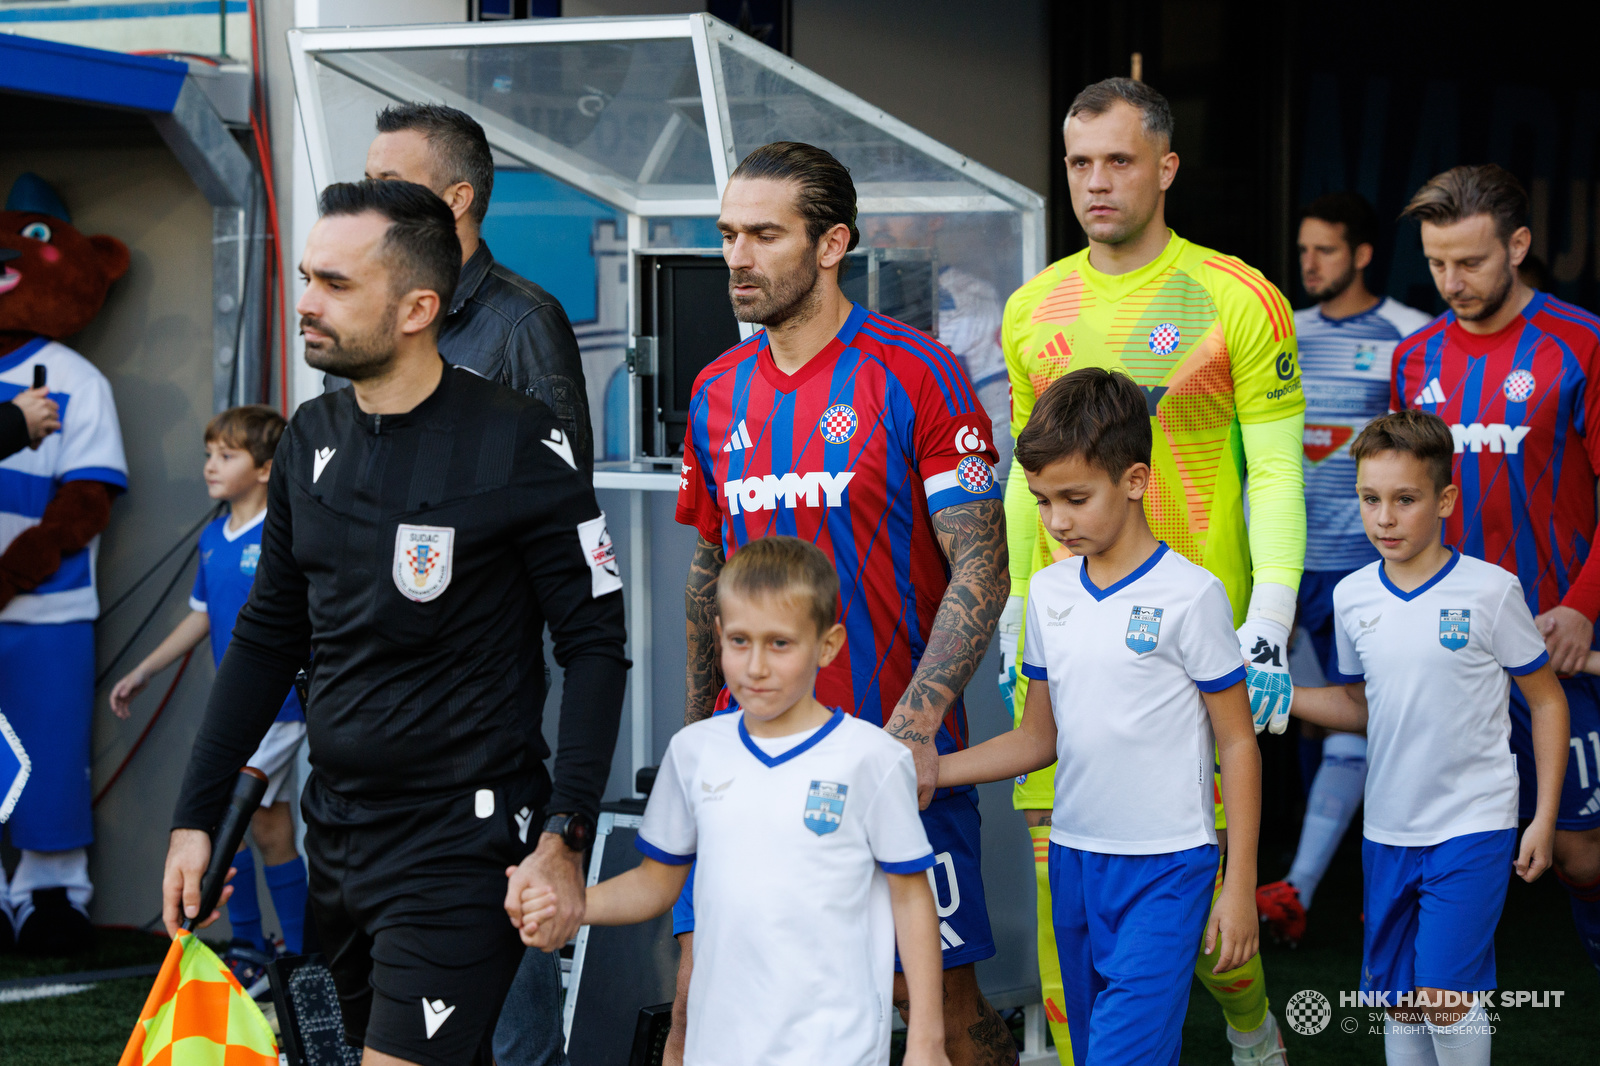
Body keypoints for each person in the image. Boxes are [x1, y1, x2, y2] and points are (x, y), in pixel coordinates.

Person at [161, 179, 629, 1066]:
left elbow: (596, 644)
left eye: (335, 285)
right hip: (335, 832)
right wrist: (195, 817)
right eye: (306, 277)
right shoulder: (308, 435)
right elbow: (269, 638)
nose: (305, 303)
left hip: (464, 838)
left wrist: (567, 835)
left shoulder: (519, 439)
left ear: (419, 307)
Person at [672, 142, 1013, 1066]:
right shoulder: (714, 393)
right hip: (755, 764)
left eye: (764, 235)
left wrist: (916, 725)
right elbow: (711, 574)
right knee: (724, 990)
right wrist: (696, 737)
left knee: (936, 994)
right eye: (728, 234)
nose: (737, 256)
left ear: (832, 244)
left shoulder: (921, 372)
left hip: (898, 754)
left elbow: (983, 567)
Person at [998, 77, 1300, 1064]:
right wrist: (1013, 605)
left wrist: (1270, 615)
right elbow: (1022, 475)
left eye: (1118, 160)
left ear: (1165, 167)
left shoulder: (1236, 295)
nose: (1095, 182)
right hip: (1063, 625)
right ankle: (1062, 1043)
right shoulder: (1034, 306)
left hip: (1191, 636)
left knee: (1196, 873)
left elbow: (1275, 472)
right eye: (1079, 162)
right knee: (1059, 872)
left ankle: (1250, 1026)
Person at [519, 536, 951, 1066]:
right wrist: (572, 906)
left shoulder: (873, 759)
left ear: (828, 645)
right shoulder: (694, 753)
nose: (756, 666)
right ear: (719, 636)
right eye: (740, 641)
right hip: (719, 1047)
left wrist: (927, 1041)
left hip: (837, 1047)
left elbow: (911, 899)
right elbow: (656, 884)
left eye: (780, 644)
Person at [941, 367, 1261, 1065]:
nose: (1057, 520)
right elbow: (1036, 738)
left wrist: (1238, 886)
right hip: (1075, 860)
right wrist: (931, 769)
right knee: (1095, 1053)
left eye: (1076, 498)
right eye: (1043, 501)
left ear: (1137, 481)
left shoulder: (1193, 595)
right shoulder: (1051, 594)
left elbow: (1238, 744)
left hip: (1169, 867)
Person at [1290, 409, 1567, 1066]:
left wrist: (1544, 818)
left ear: (1444, 499)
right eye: (1370, 499)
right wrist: (1280, 699)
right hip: (1387, 827)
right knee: (1400, 1001)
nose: (1385, 517)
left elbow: (1549, 701)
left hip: (1473, 821)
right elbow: (1364, 705)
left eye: (1404, 499)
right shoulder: (1354, 597)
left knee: (1445, 992)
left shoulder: (1492, 591)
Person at [1392, 163, 1600, 980]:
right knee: (1447, 836)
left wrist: (1583, 607)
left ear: (1518, 245)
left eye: (1471, 262)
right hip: (1450, 647)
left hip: (1560, 639)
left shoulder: (1579, 344)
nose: (1452, 282)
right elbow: (1401, 498)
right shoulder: (1414, 358)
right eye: (1437, 263)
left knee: (1582, 856)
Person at [1256, 193, 1434, 946]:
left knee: (1371, 724)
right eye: (1303, 251)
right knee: (1296, 717)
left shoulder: (1411, 338)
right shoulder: (1283, 333)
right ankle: (1289, 889)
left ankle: (1314, 890)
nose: (1309, 264)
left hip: (1371, 571)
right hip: (1290, 571)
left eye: (1325, 250)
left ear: (1362, 254)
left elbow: (1426, 454)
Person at [109, 405, 308, 989]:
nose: (210, 467)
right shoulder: (210, 538)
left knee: (225, 814)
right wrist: (144, 668)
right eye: (207, 454)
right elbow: (200, 617)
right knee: (269, 830)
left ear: (267, 468)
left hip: (281, 710)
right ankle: (287, 956)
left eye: (227, 455)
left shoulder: (280, 533)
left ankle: (253, 947)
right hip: (242, 716)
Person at [362, 102, 593, 473]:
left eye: (389, 185)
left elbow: (561, 494)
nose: (369, 202)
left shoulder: (525, 322)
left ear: (456, 200)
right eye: (368, 183)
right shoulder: (365, 311)